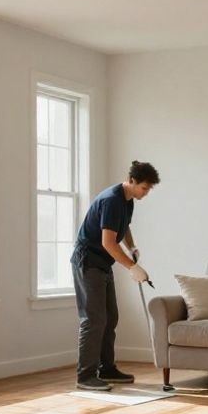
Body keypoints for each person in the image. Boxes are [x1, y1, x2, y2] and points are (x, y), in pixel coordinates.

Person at [71, 161, 159, 391]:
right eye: (144, 188)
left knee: (110, 317)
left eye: (149, 189)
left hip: (103, 263)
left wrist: (132, 246)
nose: (146, 193)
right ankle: (85, 376)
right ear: (131, 181)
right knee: (94, 319)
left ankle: (106, 368)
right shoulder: (111, 200)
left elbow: (124, 226)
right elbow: (107, 242)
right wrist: (132, 267)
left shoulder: (128, 199)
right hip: (88, 262)